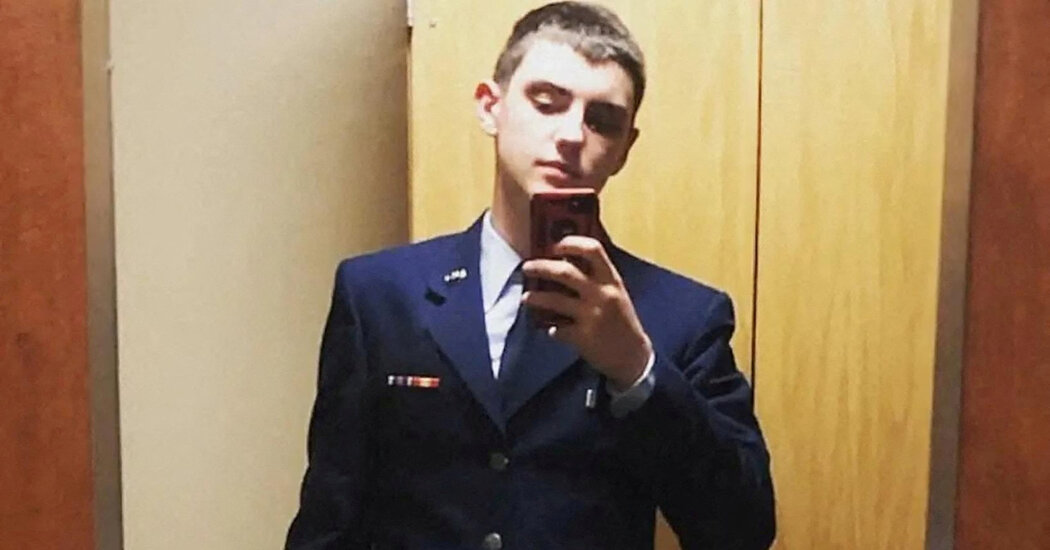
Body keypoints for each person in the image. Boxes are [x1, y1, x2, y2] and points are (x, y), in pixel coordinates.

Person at [285, 2, 775, 548]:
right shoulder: (380, 295)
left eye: (602, 121)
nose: (572, 134)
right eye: (547, 103)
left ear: (623, 150)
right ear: (490, 107)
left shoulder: (681, 316)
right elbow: (329, 518)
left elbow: (742, 530)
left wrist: (637, 370)